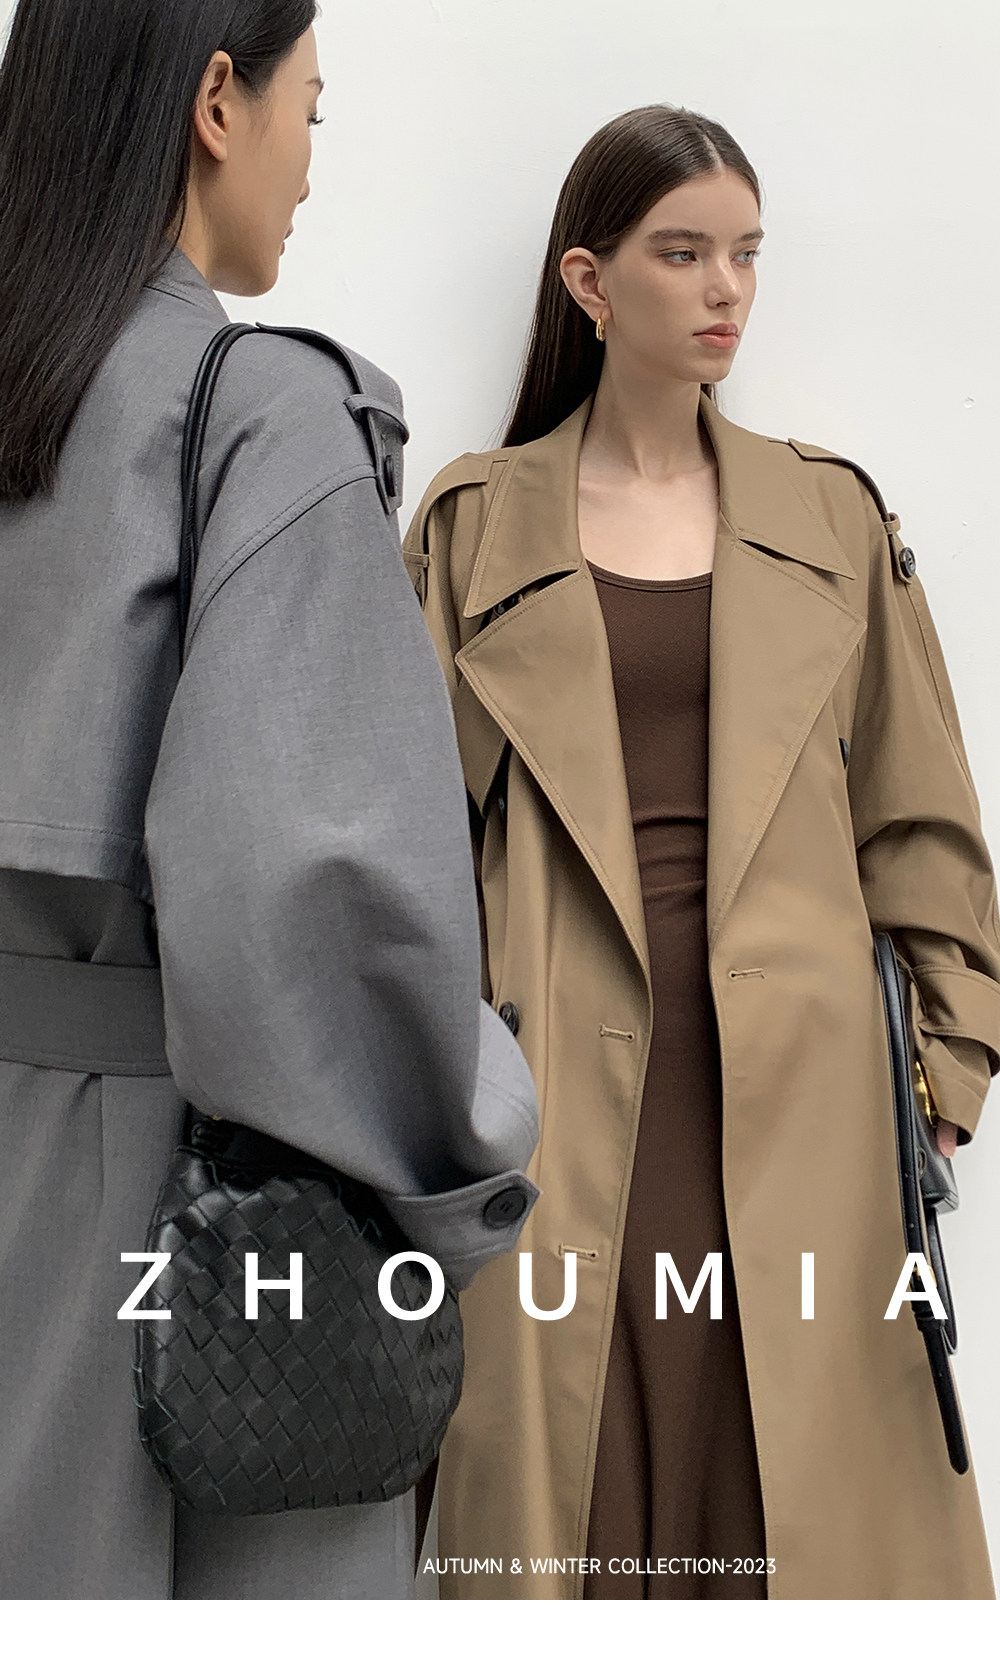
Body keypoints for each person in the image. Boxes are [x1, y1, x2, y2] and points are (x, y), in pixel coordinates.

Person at [402, 104, 1000, 1600]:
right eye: (682, 253)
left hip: (804, 1086)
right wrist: (432, 1093)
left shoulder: (831, 515)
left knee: (792, 1500)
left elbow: (920, 812)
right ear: (591, 282)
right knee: (579, 1498)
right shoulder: (476, 526)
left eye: (745, 252)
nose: (727, 288)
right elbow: (408, 846)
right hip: (551, 1085)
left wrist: (947, 1075)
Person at [0, 0, 538, 1600]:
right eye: (312, 105)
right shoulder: (260, 410)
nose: (311, 159)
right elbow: (310, 891)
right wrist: (467, 1156)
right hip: (163, 1205)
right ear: (215, 101)